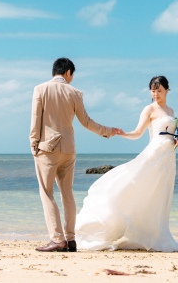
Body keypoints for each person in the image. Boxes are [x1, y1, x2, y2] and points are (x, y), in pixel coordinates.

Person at [74, 75, 178, 252]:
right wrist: (123, 133)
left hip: (168, 159)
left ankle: (156, 234)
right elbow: (138, 133)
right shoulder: (149, 109)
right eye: (153, 90)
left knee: (161, 195)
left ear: (167, 90)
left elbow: (172, 136)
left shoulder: (171, 112)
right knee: (135, 186)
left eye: (159, 90)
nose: (155, 94)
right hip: (154, 155)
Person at [30, 57, 121, 253]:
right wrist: (107, 131)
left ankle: (57, 239)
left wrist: (33, 145)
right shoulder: (75, 93)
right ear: (68, 72)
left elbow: (35, 119)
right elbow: (86, 122)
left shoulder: (40, 89)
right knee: (67, 194)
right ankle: (71, 240)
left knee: (47, 193)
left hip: (47, 149)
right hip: (69, 149)